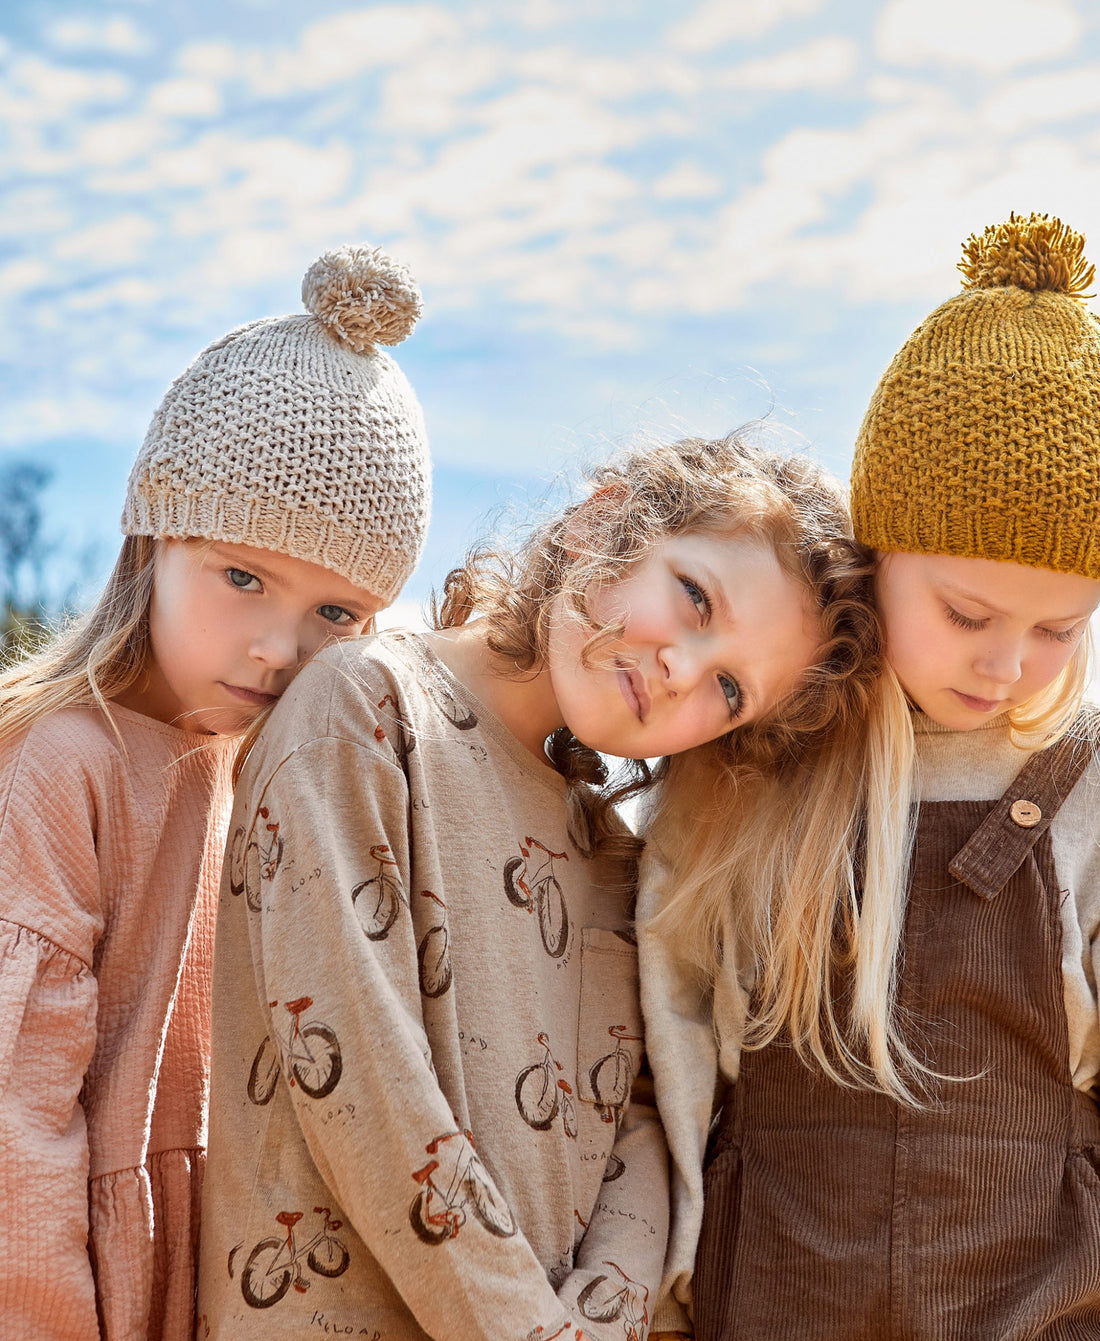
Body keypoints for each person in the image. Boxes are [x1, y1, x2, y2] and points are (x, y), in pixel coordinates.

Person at [195, 430, 887, 1339]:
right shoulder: (360, 710)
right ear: (602, 521)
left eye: (729, 687)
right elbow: (357, 1073)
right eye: (692, 597)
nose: (683, 667)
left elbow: (635, 1125)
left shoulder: (608, 854)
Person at [639, 212, 1100, 1340]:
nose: (1006, 665)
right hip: (768, 1291)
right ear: (874, 557)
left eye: (1060, 627)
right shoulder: (748, 769)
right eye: (965, 613)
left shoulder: (1085, 788)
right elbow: (672, 1046)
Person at [0, 242, 431, 1341]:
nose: (281, 646)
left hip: (236, 1269)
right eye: (243, 577)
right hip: (74, 1279)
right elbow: (16, 1125)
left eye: (336, 615)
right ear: (155, 536)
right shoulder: (64, 765)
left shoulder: (277, 782)